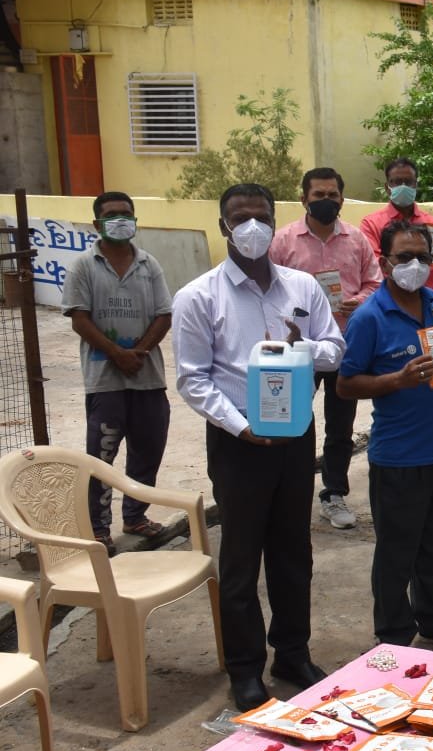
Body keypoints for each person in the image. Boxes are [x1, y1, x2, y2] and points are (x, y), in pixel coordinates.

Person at [173, 183, 345, 711]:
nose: (251, 227)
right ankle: (244, 669)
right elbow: (192, 380)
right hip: (239, 440)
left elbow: (335, 351)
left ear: (276, 222)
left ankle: (292, 652)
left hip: (295, 435)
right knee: (243, 558)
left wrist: (304, 345)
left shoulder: (303, 288)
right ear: (224, 225)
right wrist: (240, 427)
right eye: (240, 218)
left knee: (294, 552)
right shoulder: (198, 296)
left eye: (261, 217)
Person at [338, 221, 433, 650]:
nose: (415, 265)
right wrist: (397, 380)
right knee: (396, 553)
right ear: (385, 263)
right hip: (399, 458)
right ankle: (394, 636)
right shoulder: (369, 317)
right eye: (404, 257)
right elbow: (346, 385)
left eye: (422, 256)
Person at [269, 167, 382, 532]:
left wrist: (359, 300)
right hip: (299, 345)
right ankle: (290, 490)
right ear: (303, 199)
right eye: (318, 195)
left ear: (342, 199)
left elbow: (375, 282)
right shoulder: (283, 241)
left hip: (346, 344)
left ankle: (333, 493)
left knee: (341, 426)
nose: (326, 201)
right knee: (294, 418)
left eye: (332, 195)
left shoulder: (357, 240)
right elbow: (268, 290)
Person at [62, 191, 173, 551]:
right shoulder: (84, 265)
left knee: (148, 450)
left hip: (148, 378)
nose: (121, 220)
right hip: (105, 381)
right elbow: (79, 318)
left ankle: (136, 516)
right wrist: (116, 353)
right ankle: (98, 528)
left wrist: (138, 352)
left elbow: (164, 315)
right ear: (97, 224)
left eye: (127, 213)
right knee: (102, 455)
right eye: (112, 215)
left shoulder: (149, 264)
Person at [359, 158, 433, 292]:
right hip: (388, 303)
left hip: (428, 303)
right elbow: (372, 267)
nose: (403, 186)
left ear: (415, 185)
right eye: (397, 182)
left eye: (408, 182)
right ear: (387, 187)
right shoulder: (371, 224)